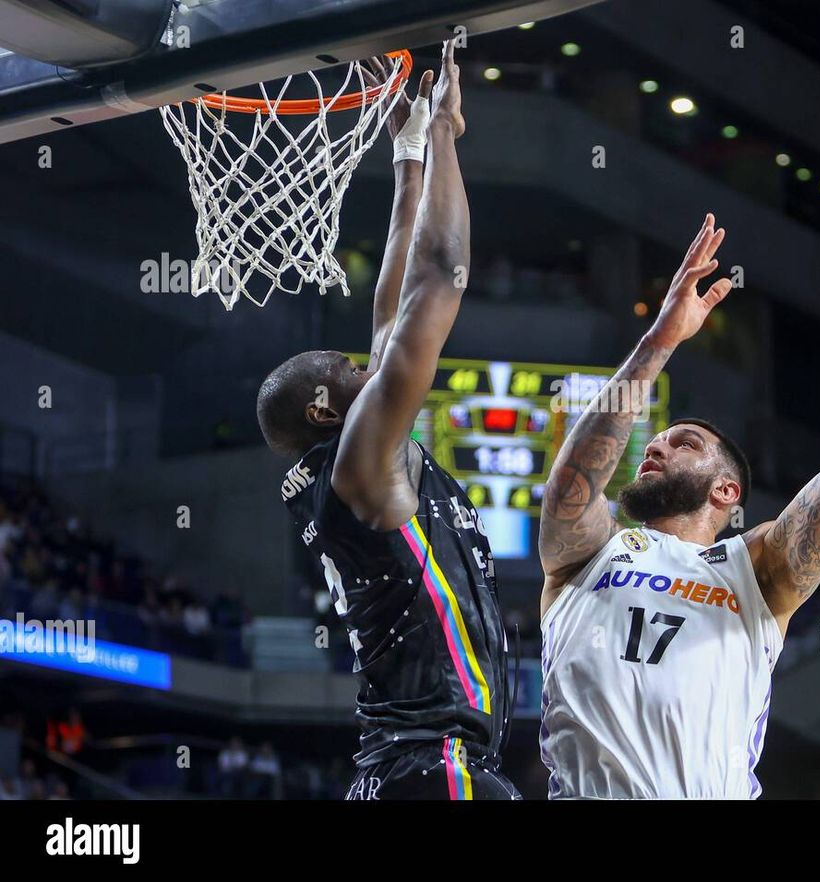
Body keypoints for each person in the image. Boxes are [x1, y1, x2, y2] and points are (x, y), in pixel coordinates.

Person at [538, 212, 820, 798]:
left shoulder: (756, 569)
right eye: (657, 440)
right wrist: (661, 338)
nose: (656, 447)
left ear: (727, 491)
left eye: (683, 443)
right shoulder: (587, 554)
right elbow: (571, 483)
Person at [256, 43, 516, 800]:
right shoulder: (361, 465)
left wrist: (407, 162)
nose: (363, 361)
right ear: (323, 408)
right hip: (429, 763)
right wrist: (444, 138)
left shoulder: (354, 461)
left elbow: (394, 310)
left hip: (405, 765)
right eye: (345, 366)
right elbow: (440, 277)